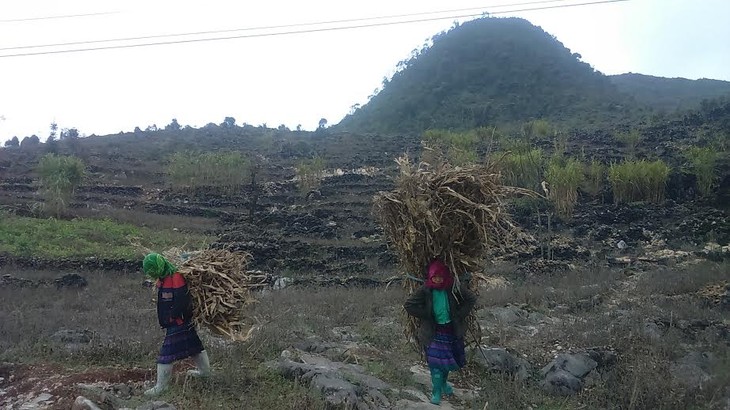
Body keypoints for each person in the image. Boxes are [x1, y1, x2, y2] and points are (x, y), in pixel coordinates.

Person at [404, 258, 477, 405]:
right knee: (436, 364)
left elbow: (471, 299)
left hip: (450, 330)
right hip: (433, 332)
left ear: (445, 276)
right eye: (434, 277)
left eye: (440, 277)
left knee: (445, 362)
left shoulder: (452, 287)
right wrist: (426, 314)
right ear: (431, 277)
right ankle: (436, 392)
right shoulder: (426, 289)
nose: (437, 280)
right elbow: (408, 305)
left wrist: (459, 314)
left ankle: (443, 384)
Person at [142, 253, 211, 397]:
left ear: (159, 266)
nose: (151, 272)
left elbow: (182, 300)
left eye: (152, 268)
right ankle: (205, 373)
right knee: (194, 347)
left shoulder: (176, 277)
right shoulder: (162, 279)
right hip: (176, 322)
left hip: (179, 322)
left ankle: (161, 387)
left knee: (166, 355)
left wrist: (173, 316)